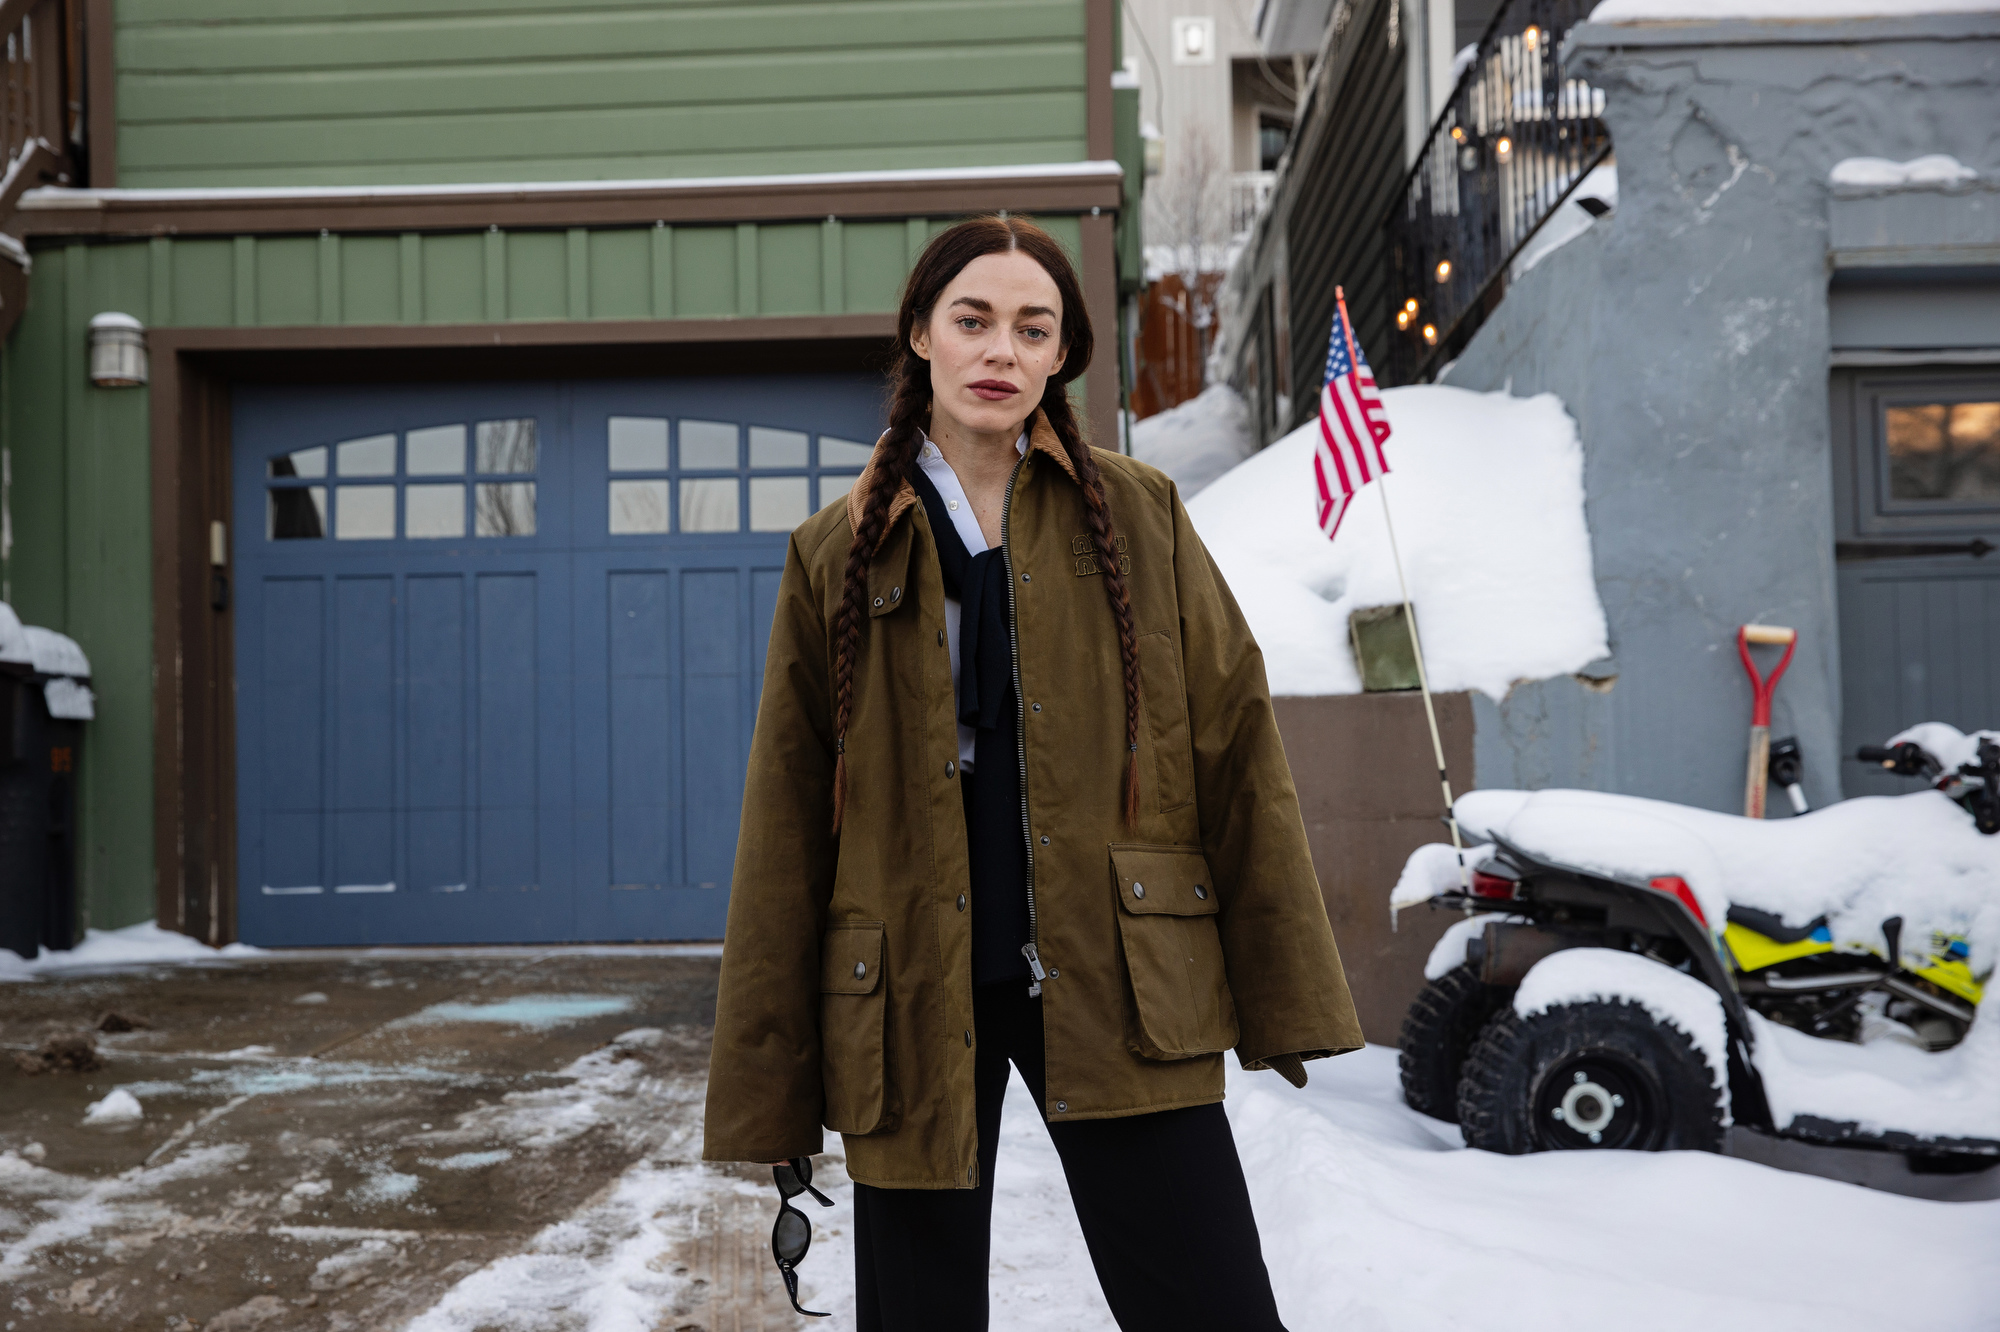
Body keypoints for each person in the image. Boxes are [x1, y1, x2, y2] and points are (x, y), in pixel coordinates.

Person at [703, 214, 1362, 1330]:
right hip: (908, 984)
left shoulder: (1140, 515)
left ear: (1060, 356)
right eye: (972, 320)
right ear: (921, 335)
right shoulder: (834, 549)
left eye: (1031, 327)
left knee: (1209, 1304)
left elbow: (1235, 748)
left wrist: (1285, 990)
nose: (998, 350)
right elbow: (784, 816)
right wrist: (770, 1089)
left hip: (1120, 972)